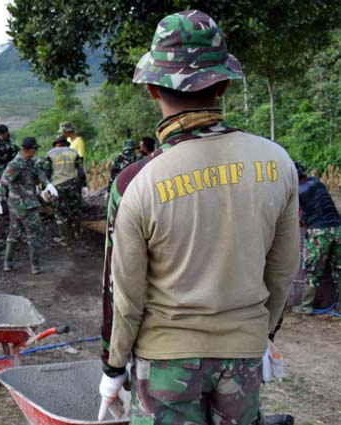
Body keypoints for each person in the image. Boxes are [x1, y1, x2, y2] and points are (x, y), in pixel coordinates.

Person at [98, 11, 300, 424]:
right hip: (242, 355)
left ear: (153, 88)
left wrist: (113, 366)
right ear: (224, 84)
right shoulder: (277, 163)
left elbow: (124, 293)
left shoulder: (136, 181)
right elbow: (282, 271)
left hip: (166, 364)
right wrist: (263, 336)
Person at [0, 137, 57, 274]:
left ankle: (7, 264)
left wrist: (48, 184)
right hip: (24, 206)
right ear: (27, 149)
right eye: (34, 149)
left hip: (19, 205)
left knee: (14, 233)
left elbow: (38, 173)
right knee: (35, 234)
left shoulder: (29, 162)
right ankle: (35, 266)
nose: (36, 151)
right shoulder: (15, 165)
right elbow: (3, 182)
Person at [292, 162, 341, 314]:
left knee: (313, 270)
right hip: (338, 228)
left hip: (319, 231)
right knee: (339, 269)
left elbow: (296, 216)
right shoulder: (317, 182)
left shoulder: (298, 191)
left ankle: (306, 306)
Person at [46, 136, 86, 244]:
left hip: (57, 186)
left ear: (56, 144)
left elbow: (47, 172)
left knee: (60, 212)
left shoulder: (50, 153)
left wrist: (45, 188)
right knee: (75, 210)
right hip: (73, 184)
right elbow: (81, 172)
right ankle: (78, 233)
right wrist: (83, 185)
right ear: (66, 144)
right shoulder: (73, 152)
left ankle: (64, 238)